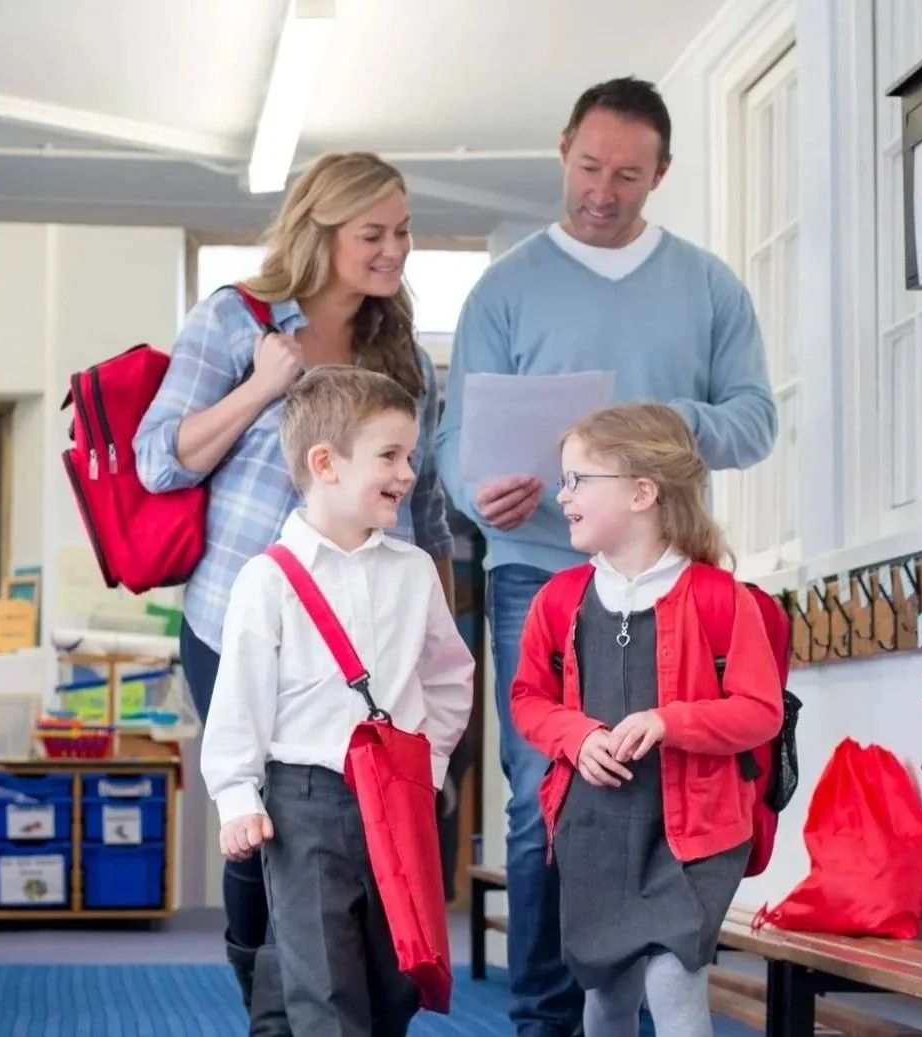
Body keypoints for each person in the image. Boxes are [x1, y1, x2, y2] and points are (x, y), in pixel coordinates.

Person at [433, 77, 778, 1034]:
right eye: (588, 167)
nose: (602, 189)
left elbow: (755, 421)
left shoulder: (707, 286)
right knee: (545, 792)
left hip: (666, 573)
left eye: (627, 174)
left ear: (659, 174)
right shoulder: (506, 289)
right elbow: (458, 439)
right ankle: (546, 1016)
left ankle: (654, 975)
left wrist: (659, 426)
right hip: (536, 563)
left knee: (666, 783)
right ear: (562, 152)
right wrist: (478, 493)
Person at [133, 152, 456, 1033]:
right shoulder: (236, 320)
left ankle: (321, 999)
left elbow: (421, 503)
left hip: (365, 624)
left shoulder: (399, 349)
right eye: (372, 234)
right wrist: (262, 387)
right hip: (241, 604)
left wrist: (436, 620)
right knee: (264, 816)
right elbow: (158, 458)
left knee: (355, 827)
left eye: (402, 231)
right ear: (320, 234)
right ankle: (266, 999)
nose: (394, 250)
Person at [201, 366, 475, 1037]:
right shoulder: (268, 579)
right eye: (389, 455)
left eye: (409, 455)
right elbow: (238, 697)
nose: (407, 472)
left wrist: (428, 762)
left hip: (399, 796)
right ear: (324, 463)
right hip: (306, 799)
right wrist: (237, 796)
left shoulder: (412, 570)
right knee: (322, 975)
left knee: (395, 974)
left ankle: (276, 1020)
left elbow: (447, 674)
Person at [509, 404, 782, 1037]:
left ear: (642, 492)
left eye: (579, 480)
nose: (562, 494)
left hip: (694, 834)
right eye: (564, 479)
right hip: (595, 831)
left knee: (673, 982)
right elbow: (528, 699)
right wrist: (577, 739)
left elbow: (760, 712)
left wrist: (670, 721)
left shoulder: (722, 600)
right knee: (607, 998)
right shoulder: (558, 599)